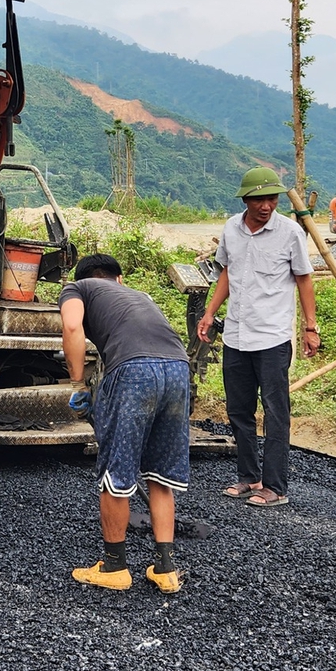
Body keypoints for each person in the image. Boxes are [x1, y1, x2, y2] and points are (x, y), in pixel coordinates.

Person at [59, 253, 193, 594]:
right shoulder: (140, 296)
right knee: (160, 471)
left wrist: (77, 382)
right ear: (119, 279)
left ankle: (115, 567)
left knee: (116, 467)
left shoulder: (77, 288)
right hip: (178, 368)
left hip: (135, 371)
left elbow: (72, 326)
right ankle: (165, 569)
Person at [197, 167, 319, 508]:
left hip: (272, 336)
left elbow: (304, 280)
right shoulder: (231, 229)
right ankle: (249, 477)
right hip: (236, 333)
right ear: (245, 199)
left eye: (272, 198)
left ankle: (275, 486)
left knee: (275, 411)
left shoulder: (290, 232)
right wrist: (210, 313)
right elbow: (227, 274)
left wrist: (310, 327)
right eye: (259, 199)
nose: (266, 206)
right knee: (239, 410)